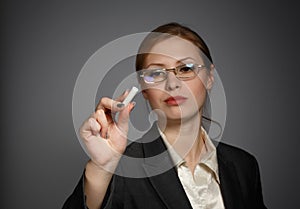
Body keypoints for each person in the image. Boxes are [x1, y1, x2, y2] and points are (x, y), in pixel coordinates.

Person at [63, 22, 267, 209]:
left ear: (210, 77)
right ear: (143, 87)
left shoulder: (243, 166)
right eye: (156, 74)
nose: (172, 84)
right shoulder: (123, 168)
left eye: (185, 69)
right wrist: (101, 168)